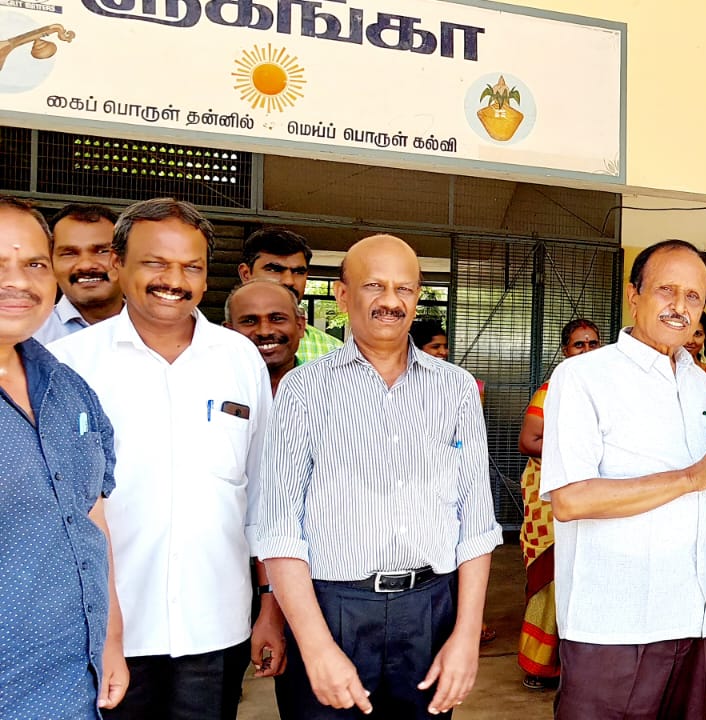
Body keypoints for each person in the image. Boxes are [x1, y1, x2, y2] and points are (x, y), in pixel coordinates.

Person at [50, 198, 279, 720]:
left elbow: (264, 493)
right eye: (155, 263)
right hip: (104, 632)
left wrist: (269, 606)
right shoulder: (69, 365)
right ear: (117, 263)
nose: (173, 280)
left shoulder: (239, 358)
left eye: (190, 266)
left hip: (215, 627)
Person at [253, 234, 500, 718]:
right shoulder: (304, 389)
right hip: (331, 607)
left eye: (404, 289)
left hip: (430, 607)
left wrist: (466, 635)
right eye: (374, 286)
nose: (391, 301)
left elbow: (476, 523)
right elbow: (280, 530)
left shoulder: (456, 390)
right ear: (343, 295)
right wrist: (315, 647)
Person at [541, 239, 706, 719]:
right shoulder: (583, 377)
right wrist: (693, 476)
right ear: (633, 295)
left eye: (693, 296)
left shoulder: (704, 389)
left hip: (695, 616)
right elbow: (570, 500)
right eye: (666, 290)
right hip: (615, 623)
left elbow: (703, 488)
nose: (680, 306)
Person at [0, 196, 128, 717]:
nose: (18, 281)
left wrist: (110, 639)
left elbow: (91, 518)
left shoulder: (68, 388)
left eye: (34, 264)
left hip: (74, 684)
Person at [516, 317, 602, 691]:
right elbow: (528, 441)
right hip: (549, 499)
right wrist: (576, 454)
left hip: (593, 498)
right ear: (565, 350)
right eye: (579, 344)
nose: (587, 350)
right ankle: (539, 665)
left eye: (593, 343)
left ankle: (577, 665)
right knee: (551, 577)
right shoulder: (552, 390)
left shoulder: (606, 389)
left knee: (586, 578)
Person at [237, 227, 342, 364]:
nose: (289, 281)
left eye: (298, 272)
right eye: (274, 269)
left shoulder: (333, 353)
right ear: (246, 274)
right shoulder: (217, 350)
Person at [33, 203, 122, 344]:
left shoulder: (156, 330)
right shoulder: (26, 336)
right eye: (69, 253)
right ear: (50, 263)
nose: (86, 265)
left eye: (102, 251)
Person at [224, 279, 306, 395]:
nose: (264, 332)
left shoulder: (326, 384)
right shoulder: (209, 385)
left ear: (300, 326)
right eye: (249, 321)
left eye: (277, 319)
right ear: (229, 332)